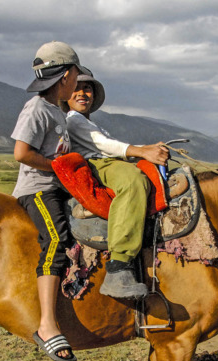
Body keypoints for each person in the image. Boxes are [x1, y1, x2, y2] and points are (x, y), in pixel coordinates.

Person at [64, 69, 169, 299]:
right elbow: (103, 146)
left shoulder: (89, 122)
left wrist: (147, 149)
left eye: (88, 88)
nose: (83, 93)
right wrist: (141, 151)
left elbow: (112, 144)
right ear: (66, 94)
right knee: (133, 181)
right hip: (99, 165)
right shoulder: (73, 120)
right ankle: (119, 266)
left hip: (109, 161)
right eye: (76, 88)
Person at [11, 41, 83, 361]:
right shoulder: (37, 109)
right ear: (66, 76)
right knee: (55, 239)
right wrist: (56, 166)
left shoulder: (58, 111)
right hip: (37, 189)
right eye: (77, 76)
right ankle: (46, 324)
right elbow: (21, 153)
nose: (78, 83)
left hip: (55, 187)